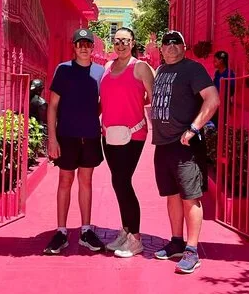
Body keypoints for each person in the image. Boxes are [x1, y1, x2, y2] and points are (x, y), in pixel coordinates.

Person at [150, 30, 220, 274]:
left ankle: (192, 250)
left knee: (190, 197)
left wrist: (193, 128)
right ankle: (177, 242)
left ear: (184, 46)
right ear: (161, 49)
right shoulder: (161, 70)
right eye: (166, 43)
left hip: (185, 145)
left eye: (176, 43)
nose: (171, 47)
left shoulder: (193, 69)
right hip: (163, 145)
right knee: (172, 195)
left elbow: (213, 99)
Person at [43, 28, 106, 255]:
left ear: (92, 47)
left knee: (86, 181)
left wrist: (90, 118)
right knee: (65, 180)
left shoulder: (100, 72)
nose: (84, 48)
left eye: (87, 44)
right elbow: (52, 106)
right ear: (74, 46)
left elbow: (102, 103)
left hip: (90, 136)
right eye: (80, 44)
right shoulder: (64, 70)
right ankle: (61, 231)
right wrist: (52, 139)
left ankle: (85, 230)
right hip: (66, 136)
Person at [100, 27, 155, 258]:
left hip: (133, 134)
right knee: (117, 182)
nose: (120, 45)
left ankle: (136, 239)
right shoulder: (107, 66)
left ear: (132, 43)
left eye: (125, 41)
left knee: (123, 181)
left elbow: (154, 99)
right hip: (109, 135)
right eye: (117, 41)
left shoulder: (140, 67)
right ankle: (126, 230)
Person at [211, 51, 235, 127]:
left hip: (224, 101)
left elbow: (232, 88)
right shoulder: (217, 73)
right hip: (215, 101)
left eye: (215, 60)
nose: (213, 62)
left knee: (221, 122)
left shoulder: (229, 73)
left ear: (221, 61)